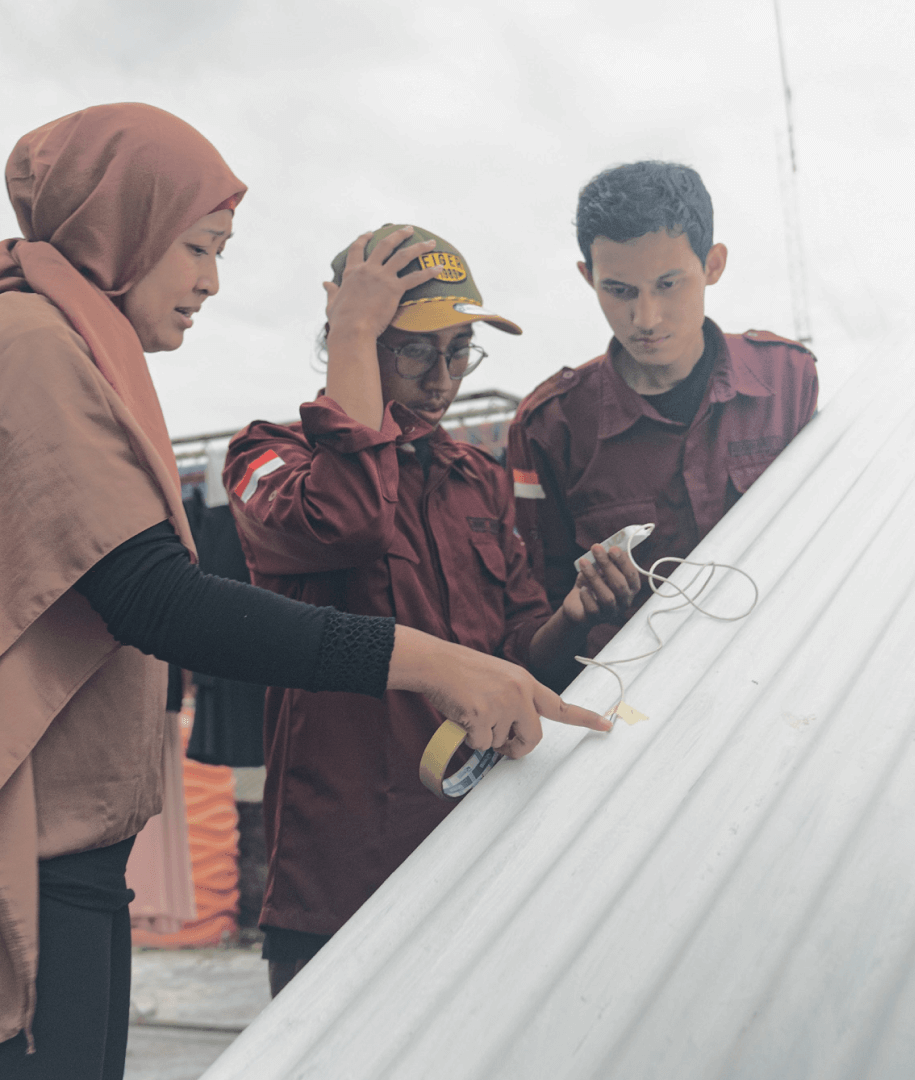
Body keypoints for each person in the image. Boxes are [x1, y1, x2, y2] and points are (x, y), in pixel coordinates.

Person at [0, 105, 606, 1080]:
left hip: (53, 853)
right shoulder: (28, 346)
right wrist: (432, 663)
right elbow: (158, 598)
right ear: (119, 223)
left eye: (457, 351)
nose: (213, 279)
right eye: (199, 246)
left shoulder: (65, 349)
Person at [225, 224, 645, 995]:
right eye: (417, 349)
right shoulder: (267, 460)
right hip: (345, 874)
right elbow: (349, 519)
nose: (443, 377)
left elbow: (517, 653)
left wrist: (576, 613)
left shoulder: (477, 479)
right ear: (352, 337)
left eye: (459, 351)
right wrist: (352, 330)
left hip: (477, 850)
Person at [509, 161, 820, 668]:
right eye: (619, 291)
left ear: (713, 265)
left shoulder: (787, 379)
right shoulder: (550, 428)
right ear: (588, 278)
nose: (645, 318)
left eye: (668, 284)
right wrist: (576, 615)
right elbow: (533, 629)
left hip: (787, 666)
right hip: (635, 706)